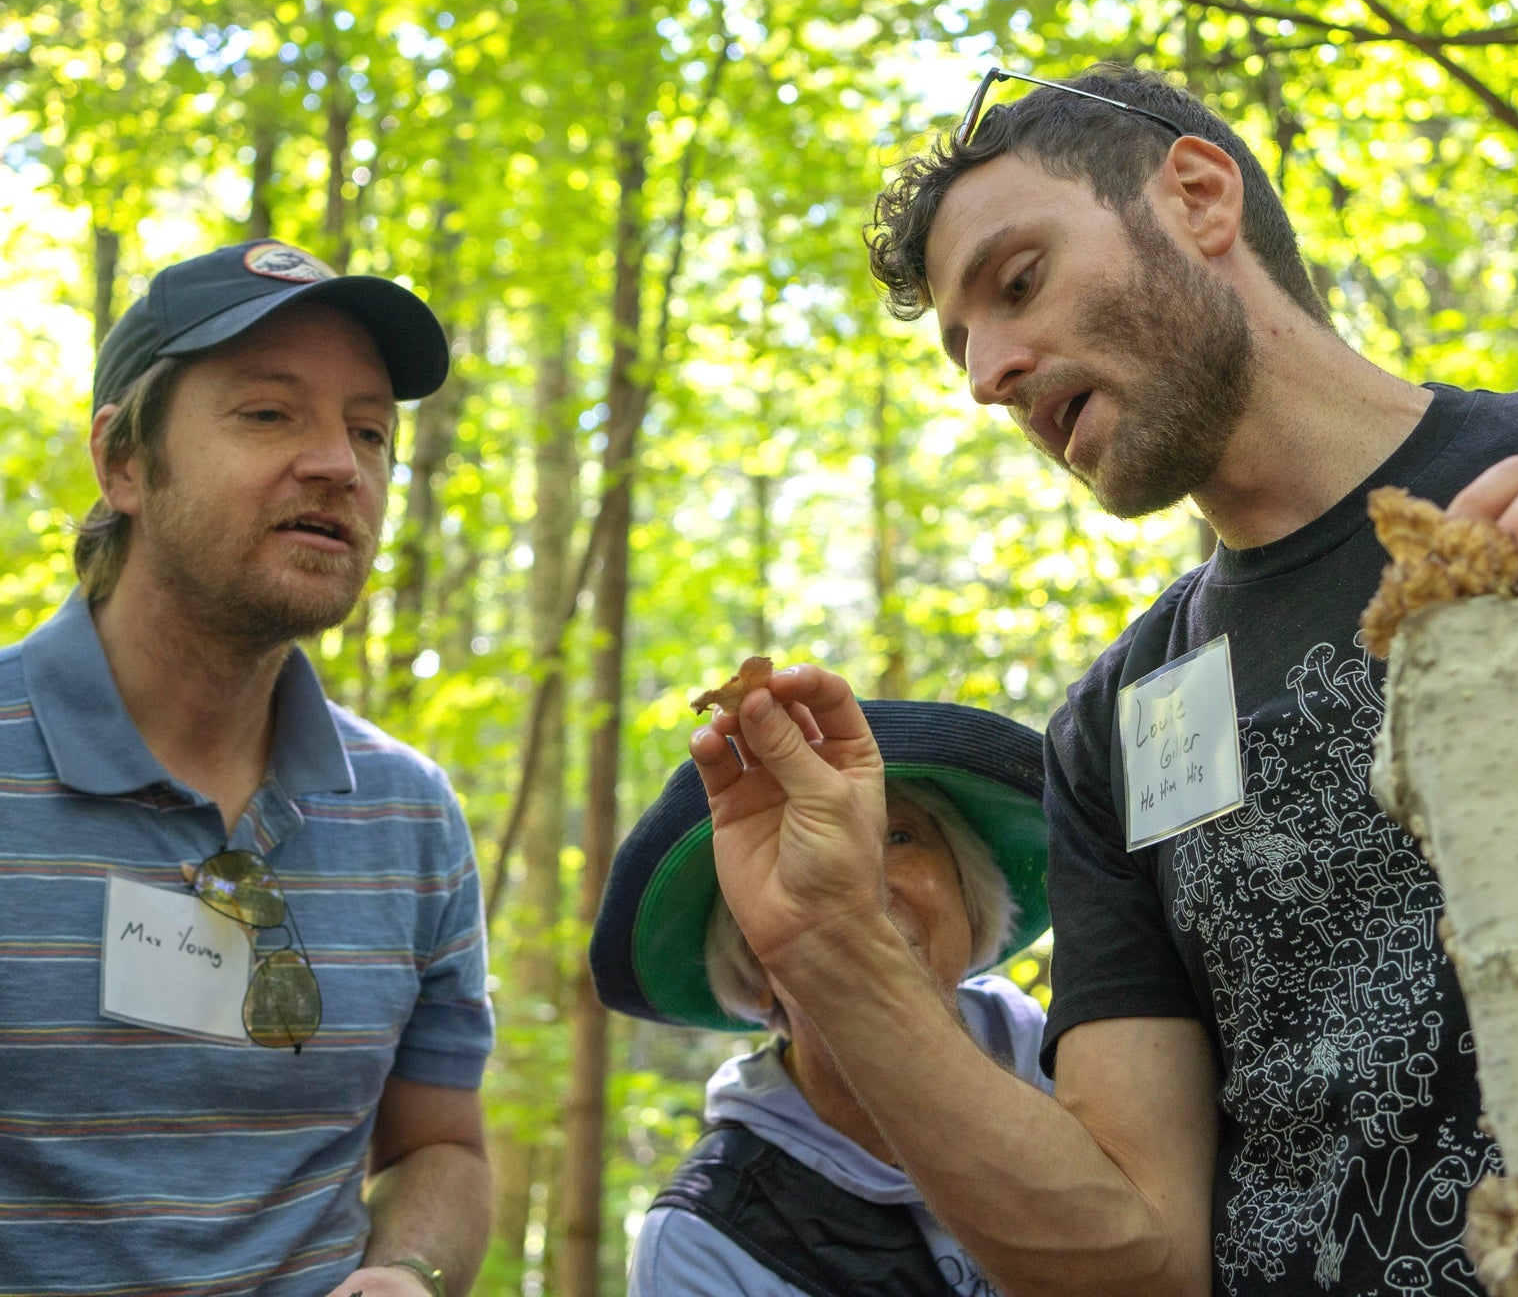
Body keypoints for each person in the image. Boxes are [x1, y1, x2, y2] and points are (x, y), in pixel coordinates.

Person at [687, 65, 1518, 1297]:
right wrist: (832, 946)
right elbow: (1136, 1259)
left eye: (1017, 283)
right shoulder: (1117, 725)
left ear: (1197, 195)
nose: (986, 376)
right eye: (961, 347)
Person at [0, 240, 494, 1297]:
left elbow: (440, 1149)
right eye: (270, 414)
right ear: (123, 462)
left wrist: (409, 1269)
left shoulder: (410, 816)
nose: (339, 464)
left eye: (369, 431)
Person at [590, 698, 1054, 1296]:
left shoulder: (1081, 1070)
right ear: (751, 961)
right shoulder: (708, 1238)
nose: (856, 883)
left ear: (971, 898)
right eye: (794, 856)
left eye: (898, 834)